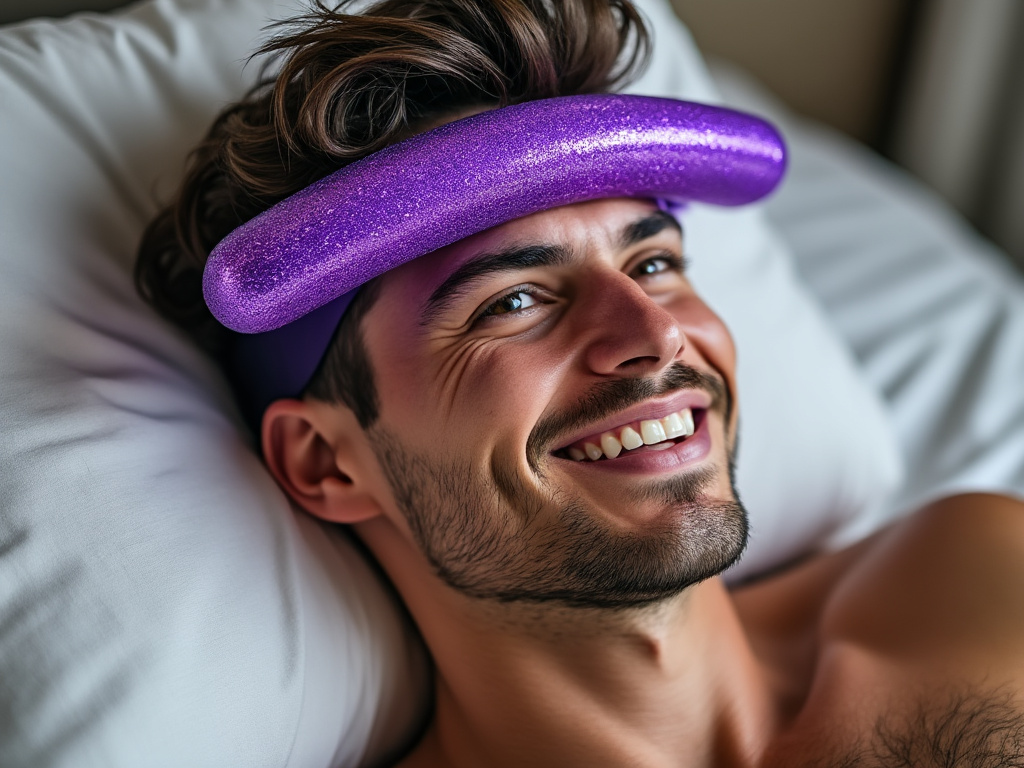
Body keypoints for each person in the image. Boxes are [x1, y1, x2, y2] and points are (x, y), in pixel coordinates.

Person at [136, 0, 1024, 765]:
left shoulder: (973, 575)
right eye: (514, 299)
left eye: (654, 262)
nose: (654, 334)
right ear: (327, 462)